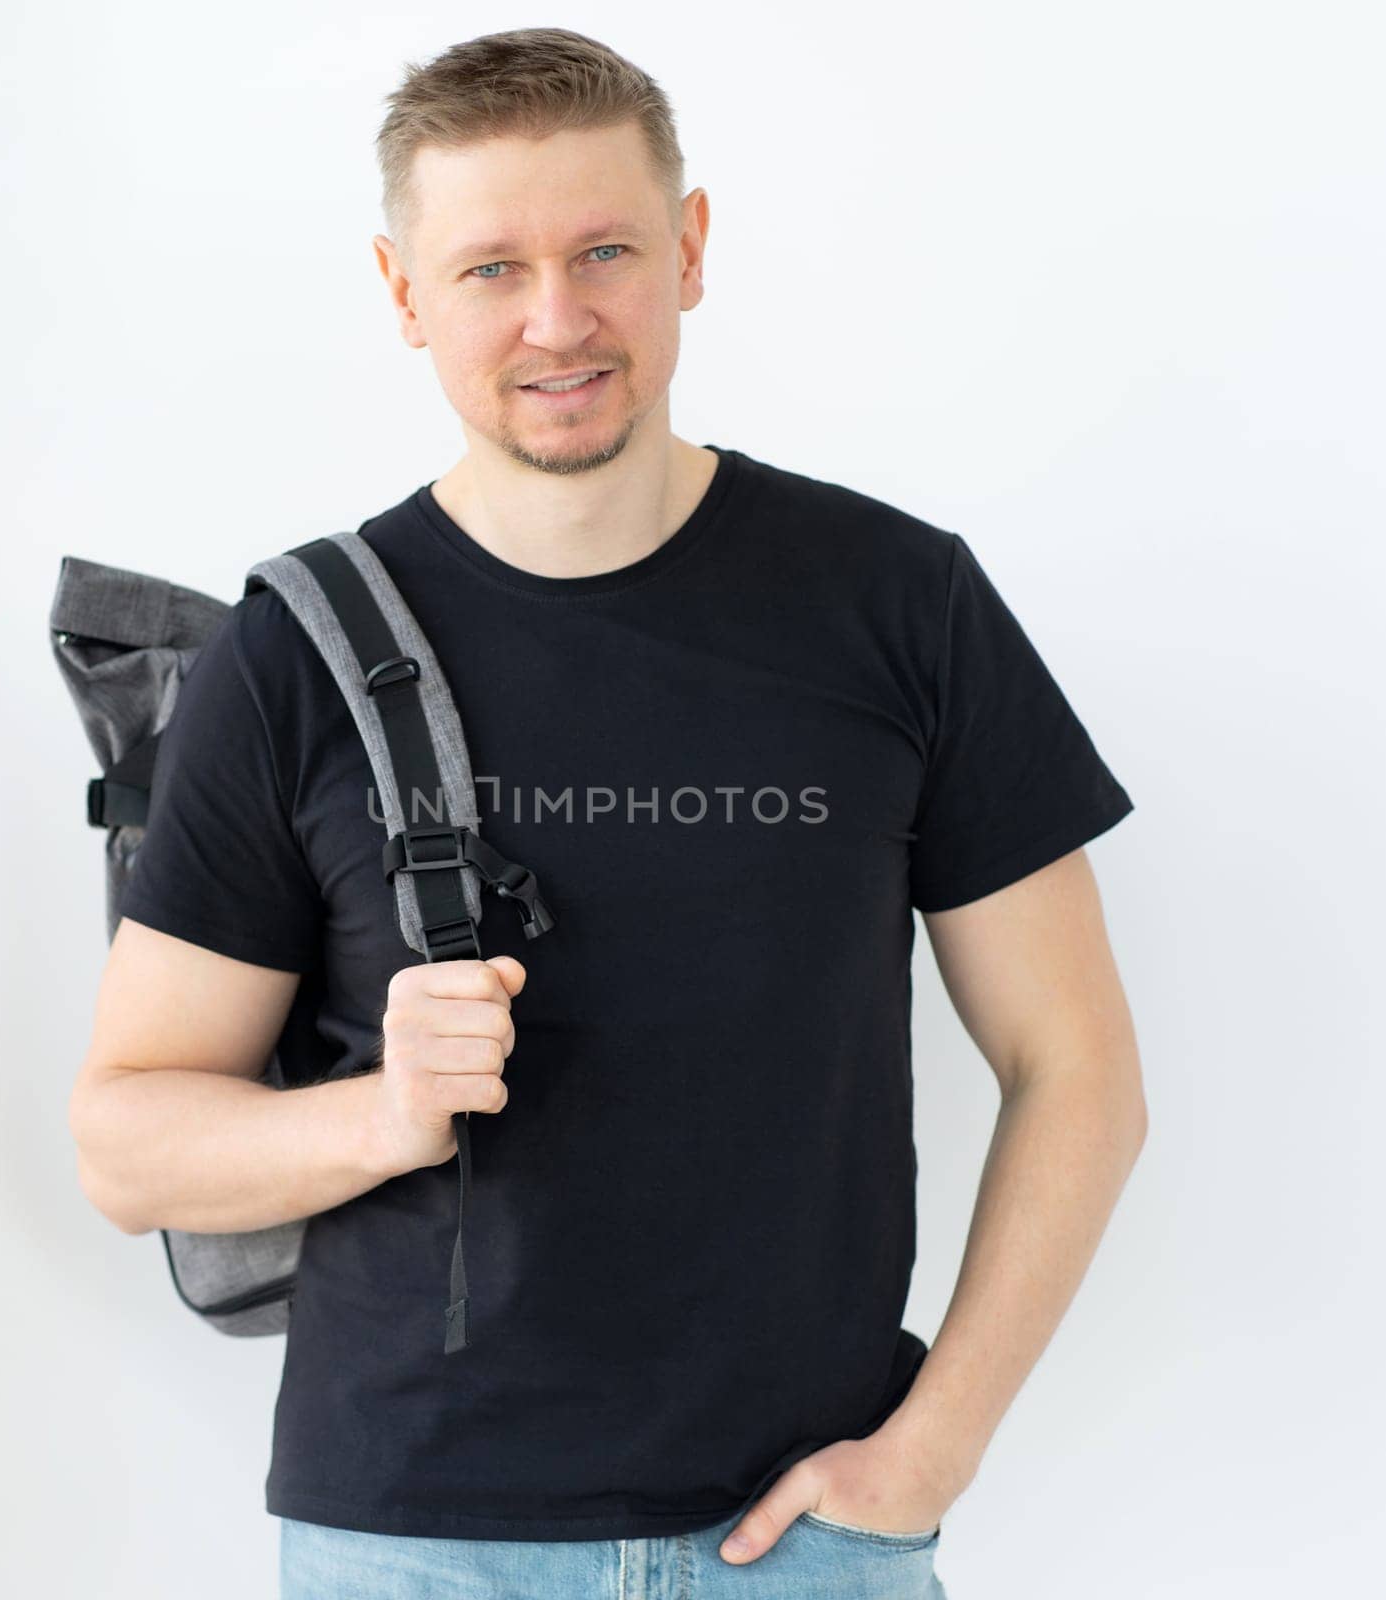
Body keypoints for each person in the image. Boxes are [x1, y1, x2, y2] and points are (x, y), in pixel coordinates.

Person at [68, 26, 1146, 1600]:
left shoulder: (897, 603)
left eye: (605, 250)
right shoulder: (291, 652)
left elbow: (1079, 1071)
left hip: (806, 1537)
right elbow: (126, 1145)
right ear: (401, 292)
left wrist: (934, 1447)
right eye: (490, 268)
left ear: (690, 249)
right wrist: (378, 1114)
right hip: (413, 1545)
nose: (556, 319)